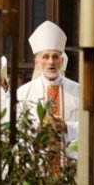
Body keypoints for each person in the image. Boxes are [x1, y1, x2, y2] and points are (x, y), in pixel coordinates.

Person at [17, 21, 79, 158]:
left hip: (70, 165)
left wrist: (67, 127)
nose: (51, 62)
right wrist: (38, 127)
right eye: (46, 57)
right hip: (36, 165)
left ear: (62, 62)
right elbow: (14, 130)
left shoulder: (78, 91)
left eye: (55, 57)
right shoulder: (23, 93)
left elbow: (90, 127)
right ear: (37, 62)